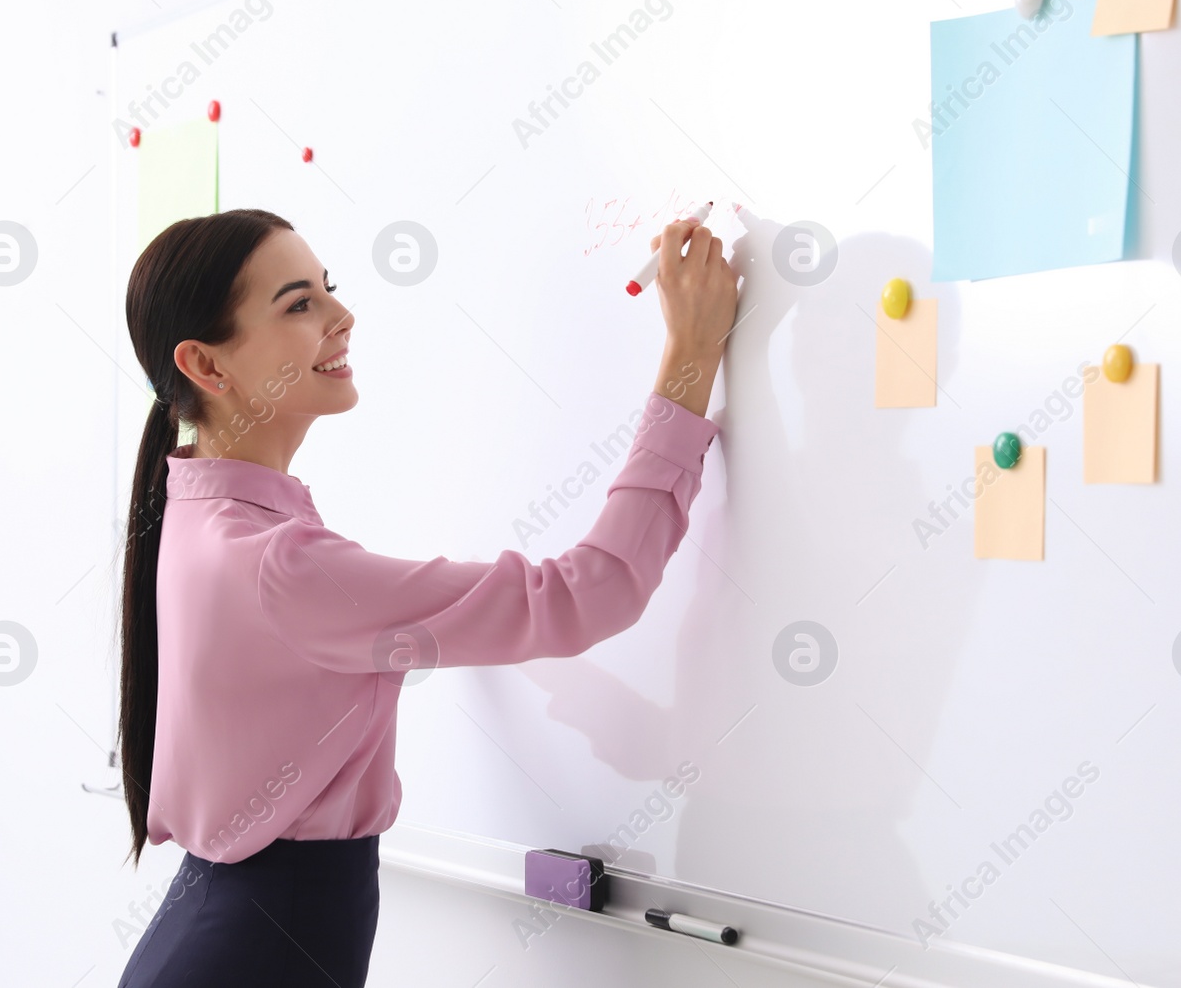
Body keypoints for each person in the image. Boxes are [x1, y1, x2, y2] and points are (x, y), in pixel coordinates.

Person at [115, 207, 738, 986]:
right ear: (208, 366)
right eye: (299, 303)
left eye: (327, 289)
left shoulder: (196, 514)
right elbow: (595, 591)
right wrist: (691, 357)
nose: (343, 316)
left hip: (219, 934)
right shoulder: (281, 565)